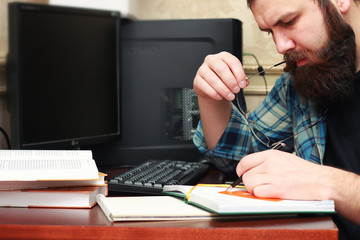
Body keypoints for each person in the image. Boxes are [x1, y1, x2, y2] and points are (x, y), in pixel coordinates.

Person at [192, 0, 360, 239]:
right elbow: (237, 161)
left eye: (289, 21)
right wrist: (211, 97)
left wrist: (327, 183)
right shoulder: (300, 80)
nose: (280, 46)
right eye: (270, 31)